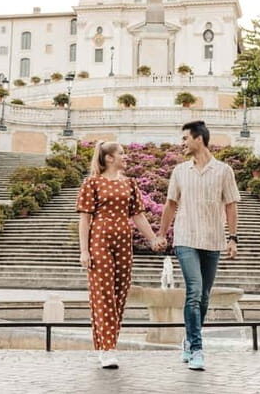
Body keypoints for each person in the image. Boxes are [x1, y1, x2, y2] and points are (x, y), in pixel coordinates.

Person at [155, 120, 240, 371]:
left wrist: (233, 238)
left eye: (185, 139)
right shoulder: (180, 171)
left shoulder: (224, 171)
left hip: (213, 239)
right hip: (185, 238)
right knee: (194, 291)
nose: (182, 143)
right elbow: (170, 204)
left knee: (203, 297)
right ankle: (197, 348)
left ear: (198, 139)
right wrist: (161, 233)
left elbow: (231, 205)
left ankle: (189, 339)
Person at [76, 140, 162, 369]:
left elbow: (138, 216)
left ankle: (108, 343)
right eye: (121, 153)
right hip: (100, 240)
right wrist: (84, 251)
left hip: (124, 242)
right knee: (103, 294)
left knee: (119, 294)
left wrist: (153, 239)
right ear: (109, 158)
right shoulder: (92, 183)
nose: (126, 156)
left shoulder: (130, 184)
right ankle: (107, 349)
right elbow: (84, 219)